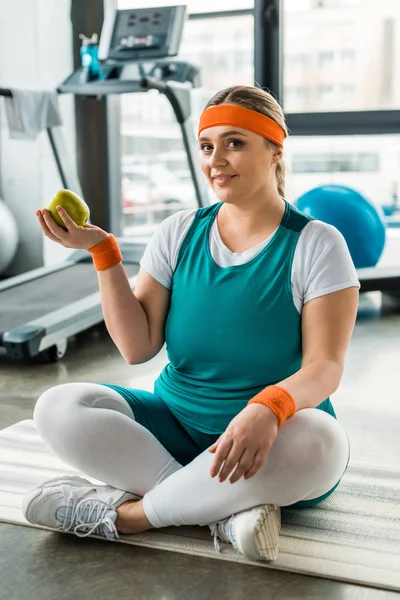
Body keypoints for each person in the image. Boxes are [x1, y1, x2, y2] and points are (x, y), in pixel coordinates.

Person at [22, 85, 359, 562]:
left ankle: (128, 517)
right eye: (207, 146)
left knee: (323, 444)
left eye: (235, 142)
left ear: (274, 149)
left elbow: (325, 366)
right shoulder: (179, 231)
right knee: (58, 405)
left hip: (270, 441)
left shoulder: (318, 244)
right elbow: (136, 346)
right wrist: (104, 253)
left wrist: (268, 408)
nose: (216, 159)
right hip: (175, 430)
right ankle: (217, 509)